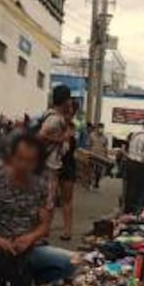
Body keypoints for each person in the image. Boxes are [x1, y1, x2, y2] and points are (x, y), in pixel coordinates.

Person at [0, 133, 78, 286]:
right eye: (20, 159)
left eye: (29, 161)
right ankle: (1, 282)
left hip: (30, 248)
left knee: (73, 262)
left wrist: (30, 238)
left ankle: (26, 283)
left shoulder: (41, 185)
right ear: (11, 157)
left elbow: (45, 225)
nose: (24, 165)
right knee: (1, 270)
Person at [56, 97, 79, 240]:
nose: (70, 112)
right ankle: (44, 229)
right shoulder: (56, 123)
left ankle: (67, 230)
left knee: (67, 199)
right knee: (50, 198)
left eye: (72, 110)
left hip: (67, 164)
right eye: (68, 109)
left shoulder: (72, 127)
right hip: (56, 163)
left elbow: (70, 148)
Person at [122, 120, 144, 213]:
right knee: (136, 187)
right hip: (138, 165)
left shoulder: (135, 134)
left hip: (130, 162)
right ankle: (132, 209)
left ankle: (126, 208)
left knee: (129, 186)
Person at [88, 123, 109, 189]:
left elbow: (105, 147)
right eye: (99, 128)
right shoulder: (92, 135)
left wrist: (106, 155)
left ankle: (96, 182)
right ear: (96, 128)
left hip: (101, 156)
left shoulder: (105, 138)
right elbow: (89, 145)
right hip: (93, 154)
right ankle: (90, 181)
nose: (100, 129)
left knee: (99, 170)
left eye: (102, 128)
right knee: (92, 169)